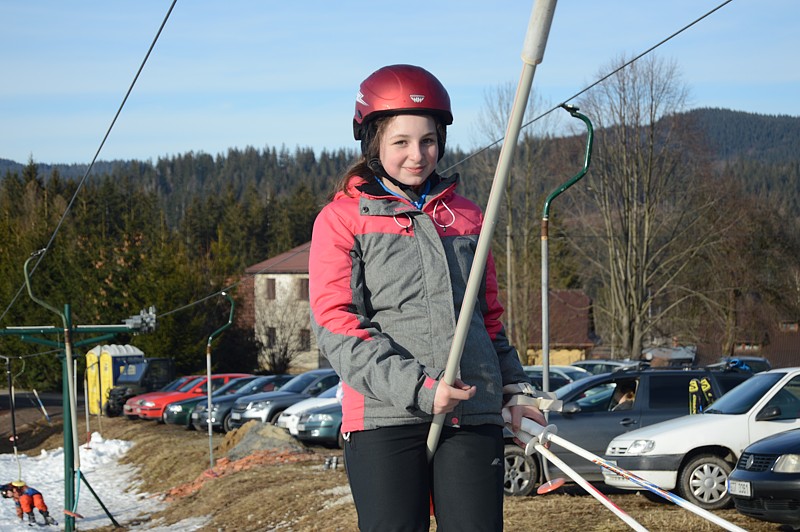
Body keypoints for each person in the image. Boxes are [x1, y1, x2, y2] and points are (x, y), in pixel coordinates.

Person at [309, 64, 550, 531]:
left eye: (428, 140)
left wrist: (515, 391)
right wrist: (418, 389)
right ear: (373, 143)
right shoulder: (342, 219)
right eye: (400, 142)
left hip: (471, 411)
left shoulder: (469, 216)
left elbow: (487, 320)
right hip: (385, 416)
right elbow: (338, 325)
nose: (417, 155)